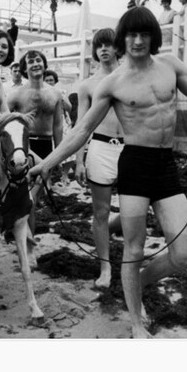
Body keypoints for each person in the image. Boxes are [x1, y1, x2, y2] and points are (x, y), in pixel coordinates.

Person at [29, 7, 187, 338]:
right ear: (123, 39)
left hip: (166, 164)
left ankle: (137, 282)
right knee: (134, 249)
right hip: (135, 166)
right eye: (131, 35)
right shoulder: (113, 84)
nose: (137, 41)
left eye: (143, 34)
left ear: (153, 36)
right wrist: (46, 164)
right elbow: (82, 130)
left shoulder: (170, 67)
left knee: (184, 255)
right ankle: (137, 324)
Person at [73, 28, 125, 289]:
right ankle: (105, 267)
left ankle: (119, 238)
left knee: (133, 211)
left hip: (130, 148)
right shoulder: (88, 85)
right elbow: (81, 125)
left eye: (108, 44)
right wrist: (79, 160)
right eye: (99, 45)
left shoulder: (130, 77)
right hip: (100, 147)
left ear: (118, 47)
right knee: (101, 211)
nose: (103, 49)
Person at [6, 49, 63, 162]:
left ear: (44, 65)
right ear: (24, 69)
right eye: (31, 62)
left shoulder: (55, 94)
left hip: (47, 145)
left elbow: (58, 126)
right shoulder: (15, 95)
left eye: (38, 60)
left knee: (45, 179)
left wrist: (58, 156)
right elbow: (4, 123)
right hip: (23, 146)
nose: (36, 64)